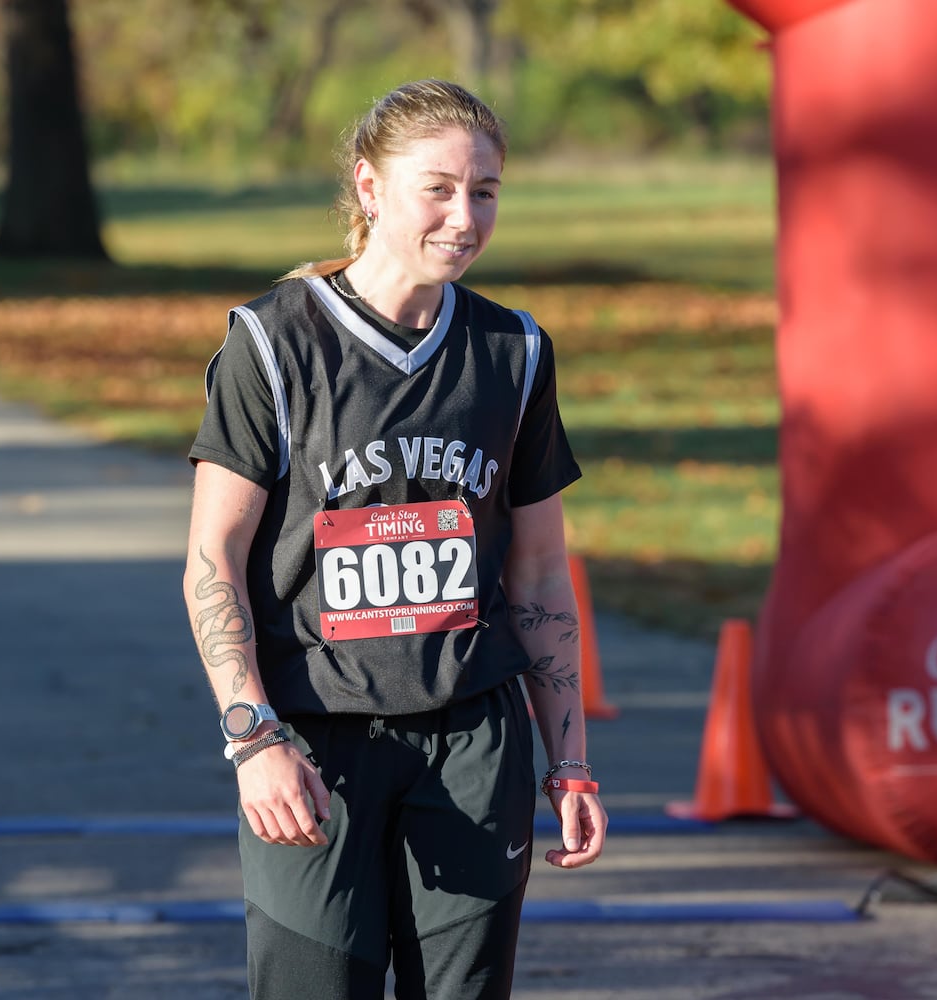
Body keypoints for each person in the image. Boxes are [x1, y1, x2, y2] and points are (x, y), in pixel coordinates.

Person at [184, 78, 606, 1000]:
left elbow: (538, 569)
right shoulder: (271, 344)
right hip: (313, 742)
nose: (465, 215)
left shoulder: (514, 352)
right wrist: (253, 736)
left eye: (485, 191)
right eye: (439, 188)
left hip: (473, 742)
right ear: (370, 187)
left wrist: (567, 759)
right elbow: (212, 561)